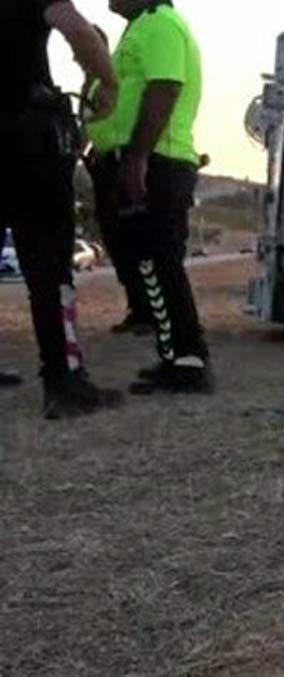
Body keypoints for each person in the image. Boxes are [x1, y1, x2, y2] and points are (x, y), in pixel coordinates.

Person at [0, 0, 125, 419]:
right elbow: (81, 32)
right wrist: (107, 83)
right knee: (50, 266)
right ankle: (63, 379)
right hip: (27, 141)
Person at [88, 0, 213, 394]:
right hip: (140, 162)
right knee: (148, 263)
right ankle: (174, 355)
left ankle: (189, 360)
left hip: (158, 164)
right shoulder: (140, 27)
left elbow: (165, 87)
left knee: (161, 261)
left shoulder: (161, 24)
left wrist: (138, 156)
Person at [81, 25, 155, 337]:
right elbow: (86, 122)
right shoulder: (91, 82)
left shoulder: (116, 74)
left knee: (136, 239)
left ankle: (150, 311)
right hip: (100, 162)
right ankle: (137, 308)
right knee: (115, 240)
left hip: (122, 160)